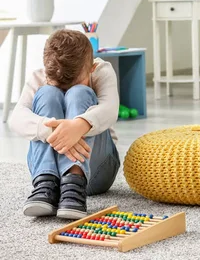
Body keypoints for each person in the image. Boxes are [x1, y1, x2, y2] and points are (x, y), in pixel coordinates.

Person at [9, 29, 120, 219]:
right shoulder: (40, 77)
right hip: (51, 173)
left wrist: (79, 125)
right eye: (60, 86)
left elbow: (111, 109)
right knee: (47, 94)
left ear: (91, 68)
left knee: (79, 93)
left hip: (97, 171)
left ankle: (75, 179)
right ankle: (46, 181)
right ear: (46, 70)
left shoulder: (101, 70)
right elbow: (16, 118)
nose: (65, 92)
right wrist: (53, 129)